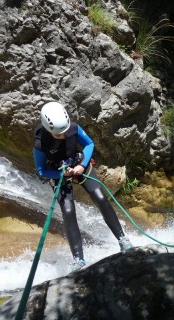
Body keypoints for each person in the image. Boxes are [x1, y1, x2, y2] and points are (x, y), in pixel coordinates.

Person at [33, 101, 133, 272]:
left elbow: (89, 144)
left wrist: (82, 165)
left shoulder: (72, 128)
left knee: (100, 197)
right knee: (69, 211)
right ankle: (78, 259)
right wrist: (61, 175)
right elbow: (41, 170)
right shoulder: (40, 143)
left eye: (64, 133)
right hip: (59, 171)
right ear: (48, 130)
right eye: (58, 135)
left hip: (79, 164)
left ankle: (123, 240)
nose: (63, 136)